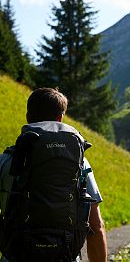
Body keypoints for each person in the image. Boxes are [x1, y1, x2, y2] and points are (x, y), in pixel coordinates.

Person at [0, 87, 107, 262]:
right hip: (65, 255)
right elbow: (96, 226)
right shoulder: (80, 163)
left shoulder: (6, 160)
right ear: (60, 118)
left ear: (28, 117)